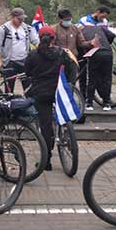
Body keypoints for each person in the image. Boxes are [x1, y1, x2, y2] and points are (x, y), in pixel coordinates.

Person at [25, 25, 78, 171]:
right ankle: (65, 132)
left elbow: (28, 72)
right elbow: (71, 70)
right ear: (54, 39)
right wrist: (68, 83)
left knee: (45, 126)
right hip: (59, 91)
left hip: (41, 93)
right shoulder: (62, 53)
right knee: (62, 117)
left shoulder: (33, 55)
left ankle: (46, 160)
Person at [0, 8, 39, 93]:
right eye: (18, 19)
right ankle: (9, 103)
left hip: (24, 61)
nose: (21, 21)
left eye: (22, 19)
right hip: (10, 62)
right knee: (9, 89)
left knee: (28, 88)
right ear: (12, 17)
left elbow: (35, 41)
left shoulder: (27, 28)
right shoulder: (3, 29)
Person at [80, 11, 116, 111]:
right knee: (107, 79)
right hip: (108, 53)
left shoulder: (81, 31)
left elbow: (81, 44)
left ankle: (89, 103)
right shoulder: (100, 28)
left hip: (95, 53)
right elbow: (112, 35)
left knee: (92, 78)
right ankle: (106, 103)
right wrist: (106, 44)